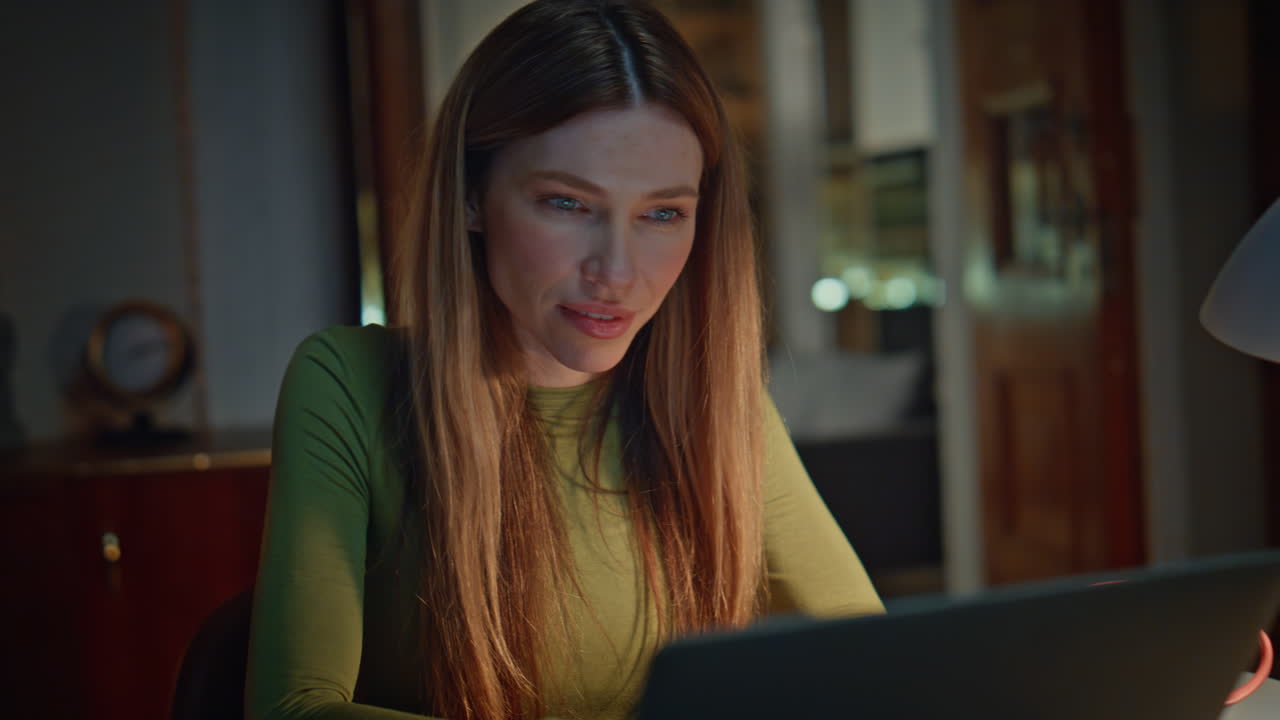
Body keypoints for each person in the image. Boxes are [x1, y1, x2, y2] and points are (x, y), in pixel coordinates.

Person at [246, 1, 882, 719]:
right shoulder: (348, 383)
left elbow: (875, 664)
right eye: (567, 204)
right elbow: (291, 710)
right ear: (470, 197)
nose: (616, 271)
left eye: (663, 213)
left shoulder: (717, 406)